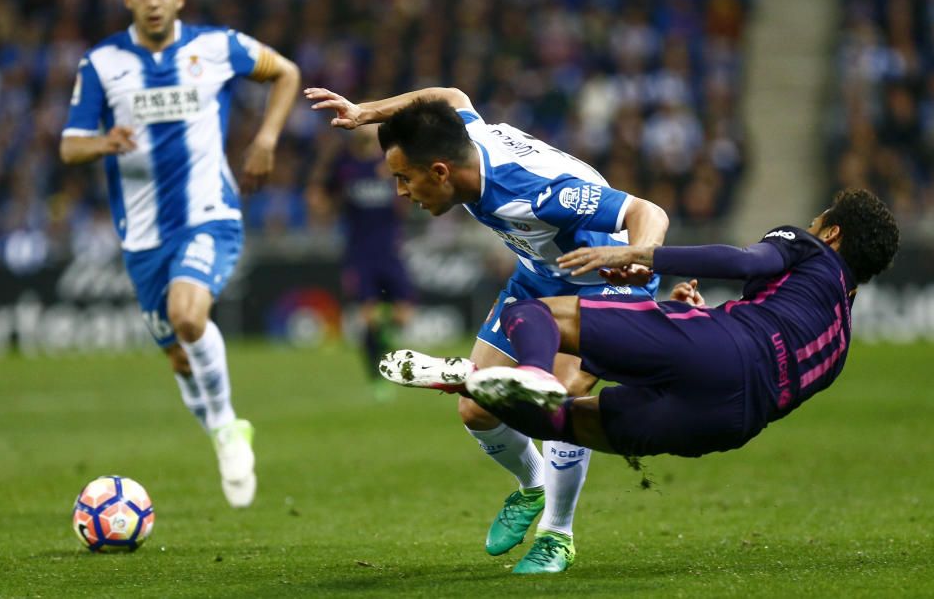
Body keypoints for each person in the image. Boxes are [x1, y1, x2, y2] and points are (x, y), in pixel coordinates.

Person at [305, 85, 669, 573]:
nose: (400, 192)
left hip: (602, 280)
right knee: (475, 409)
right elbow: (451, 95)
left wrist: (637, 258)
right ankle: (533, 487)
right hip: (538, 275)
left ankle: (557, 536)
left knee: (559, 398)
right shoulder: (464, 141)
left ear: (440, 171)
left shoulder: (536, 192)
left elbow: (647, 212)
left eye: (403, 178)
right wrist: (366, 112)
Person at [60, 0, 300, 508]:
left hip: (209, 214)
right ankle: (224, 427)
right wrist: (104, 143)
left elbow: (286, 72)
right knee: (177, 354)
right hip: (142, 236)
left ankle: (225, 429)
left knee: (188, 316)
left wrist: (265, 139)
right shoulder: (101, 64)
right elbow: (70, 145)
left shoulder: (215, 47)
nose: (152, 2)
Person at [461, 189, 899, 469]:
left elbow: (748, 263)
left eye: (817, 221)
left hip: (719, 348)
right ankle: (469, 384)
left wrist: (644, 254)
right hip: (728, 423)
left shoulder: (810, 249)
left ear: (833, 232)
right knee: (563, 423)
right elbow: (766, 360)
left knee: (532, 312)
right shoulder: (839, 345)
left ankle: (524, 375)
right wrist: (710, 317)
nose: (809, 228)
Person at [306, 128, 416, 400]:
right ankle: (377, 377)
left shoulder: (392, 161)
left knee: (404, 314)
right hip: (359, 253)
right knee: (368, 315)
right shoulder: (344, 165)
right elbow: (320, 198)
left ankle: (386, 334)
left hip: (391, 250)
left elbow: (413, 194)